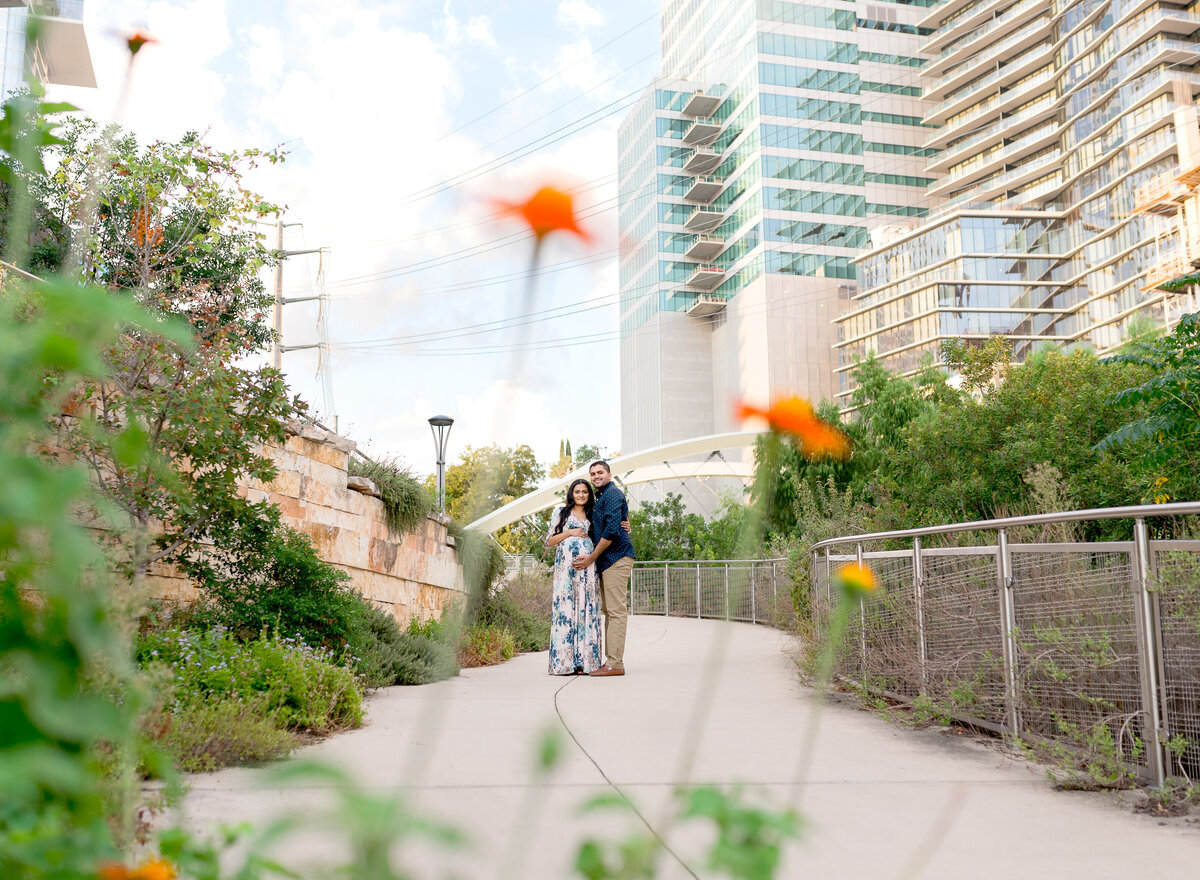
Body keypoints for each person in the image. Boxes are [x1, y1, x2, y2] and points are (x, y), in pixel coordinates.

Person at [572, 460, 636, 676]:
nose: (596, 476)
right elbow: (618, 520)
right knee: (609, 611)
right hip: (607, 561)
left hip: (616, 558)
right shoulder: (601, 497)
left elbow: (611, 531)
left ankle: (615, 664)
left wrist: (591, 557)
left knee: (616, 612)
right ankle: (611, 661)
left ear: (609, 474)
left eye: (600, 472)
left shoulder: (612, 494)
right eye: (593, 473)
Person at [545, 479, 603, 675]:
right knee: (566, 611)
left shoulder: (594, 514)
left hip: (587, 571)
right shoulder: (560, 512)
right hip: (565, 573)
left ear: (589, 494)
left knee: (586, 609)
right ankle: (565, 663)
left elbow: (608, 532)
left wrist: (626, 524)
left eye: (585, 492)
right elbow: (550, 540)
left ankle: (584, 663)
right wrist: (569, 532)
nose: (581, 495)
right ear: (572, 493)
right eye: (577, 491)